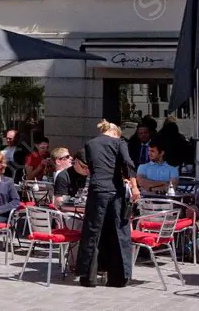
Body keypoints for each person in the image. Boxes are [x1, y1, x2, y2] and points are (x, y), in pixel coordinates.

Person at [76, 120, 140, 288]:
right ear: (115, 132)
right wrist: (134, 186)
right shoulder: (119, 143)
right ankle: (118, 278)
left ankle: (88, 277)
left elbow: (82, 163)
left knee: (92, 232)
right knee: (118, 231)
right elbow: (128, 163)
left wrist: (92, 171)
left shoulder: (90, 143)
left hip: (96, 190)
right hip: (115, 191)